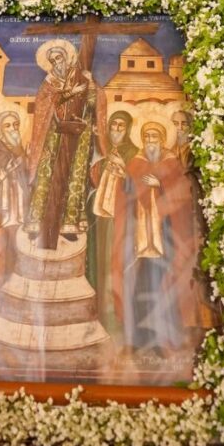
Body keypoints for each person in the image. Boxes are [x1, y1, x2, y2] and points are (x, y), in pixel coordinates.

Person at [123, 121, 210, 353]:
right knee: (142, 285)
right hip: (143, 237)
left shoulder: (172, 164)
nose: (151, 142)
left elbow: (183, 193)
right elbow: (127, 194)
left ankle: (167, 337)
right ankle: (141, 338)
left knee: (166, 286)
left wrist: (160, 184)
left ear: (163, 140)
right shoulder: (136, 163)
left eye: (155, 137)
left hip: (167, 236)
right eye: (147, 137)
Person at [25, 40, 106, 249]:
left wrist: (90, 87)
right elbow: (44, 104)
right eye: (52, 60)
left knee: (76, 173)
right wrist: (70, 93)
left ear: (67, 58)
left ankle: (69, 224)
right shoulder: (49, 82)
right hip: (53, 133)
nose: (56, 63)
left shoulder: (81, 76)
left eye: (59, 58)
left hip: (80, 132)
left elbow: (93, 103)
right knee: (46, 173)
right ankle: (37, 222)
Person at [89, 110, 139, 335]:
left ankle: (119, 315)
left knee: (118, 262)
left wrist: (123, 169)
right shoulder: (103, 149)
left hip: (122, 217)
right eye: (113, 125)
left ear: (127, 129)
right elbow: (93, 180)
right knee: (101, 262)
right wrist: (102, 167)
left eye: (121, 125)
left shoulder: (133, 153)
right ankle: (101, 312)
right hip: (102, 216)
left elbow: (139, 187)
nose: (116, 129)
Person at [0, 110, 29, 318]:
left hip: (20, 210)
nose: (12, 129)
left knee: (19, 254)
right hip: (1, 212)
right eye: (7, 125)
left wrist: (23, 156)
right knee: (0, 253)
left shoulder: (21, 149)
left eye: (15, 125)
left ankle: (16, 305)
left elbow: (29, 177)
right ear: (0, 129)